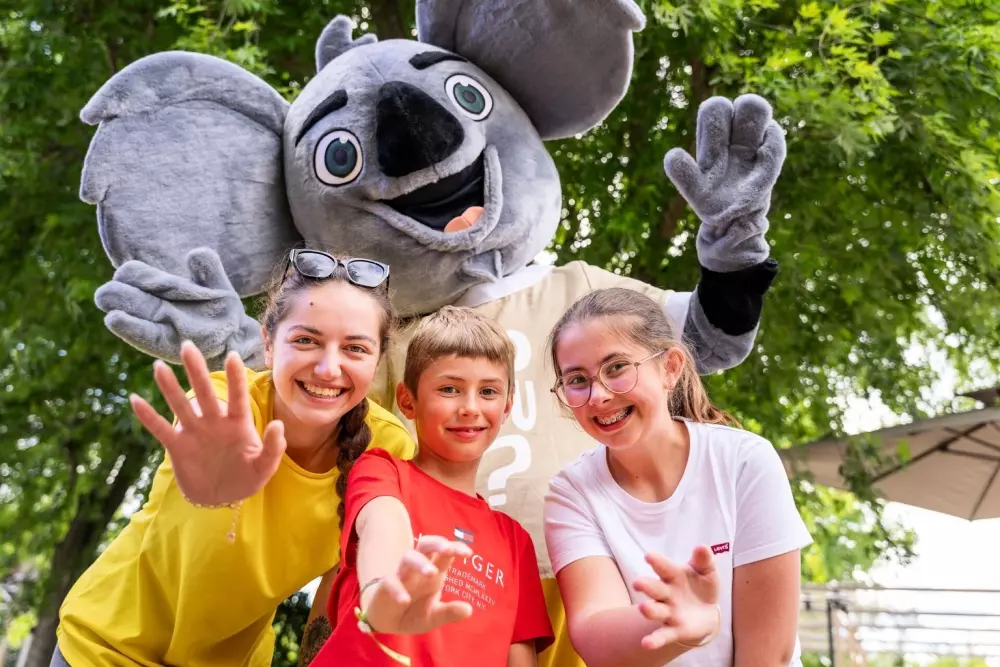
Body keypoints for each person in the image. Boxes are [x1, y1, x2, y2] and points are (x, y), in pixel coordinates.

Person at [52, 250, 416, 667]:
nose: (328, 368)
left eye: (355, 348)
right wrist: (217, 484)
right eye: (305, 340)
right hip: (106, 649)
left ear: (378, 358)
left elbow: (349, 578)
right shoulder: (226, 400)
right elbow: (205, 424)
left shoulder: (387, 446)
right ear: (267, 342)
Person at [543, 288, 812, 667]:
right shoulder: (572, 493)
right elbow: (594, 638)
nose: (598, 395)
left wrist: (697, 620)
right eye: (576, 379)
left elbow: (769, 654)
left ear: (670, 368)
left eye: (617, 367)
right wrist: (682, 625)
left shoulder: (745, 462)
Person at [309, 306, 554, 667]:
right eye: (449, 389)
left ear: (506, 407)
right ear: (408, 400)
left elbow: (519, 656)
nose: (470, 407)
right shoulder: (383, 470)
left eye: (488, 391)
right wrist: (381, 588)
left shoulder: (515, 542)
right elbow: (382, 522)